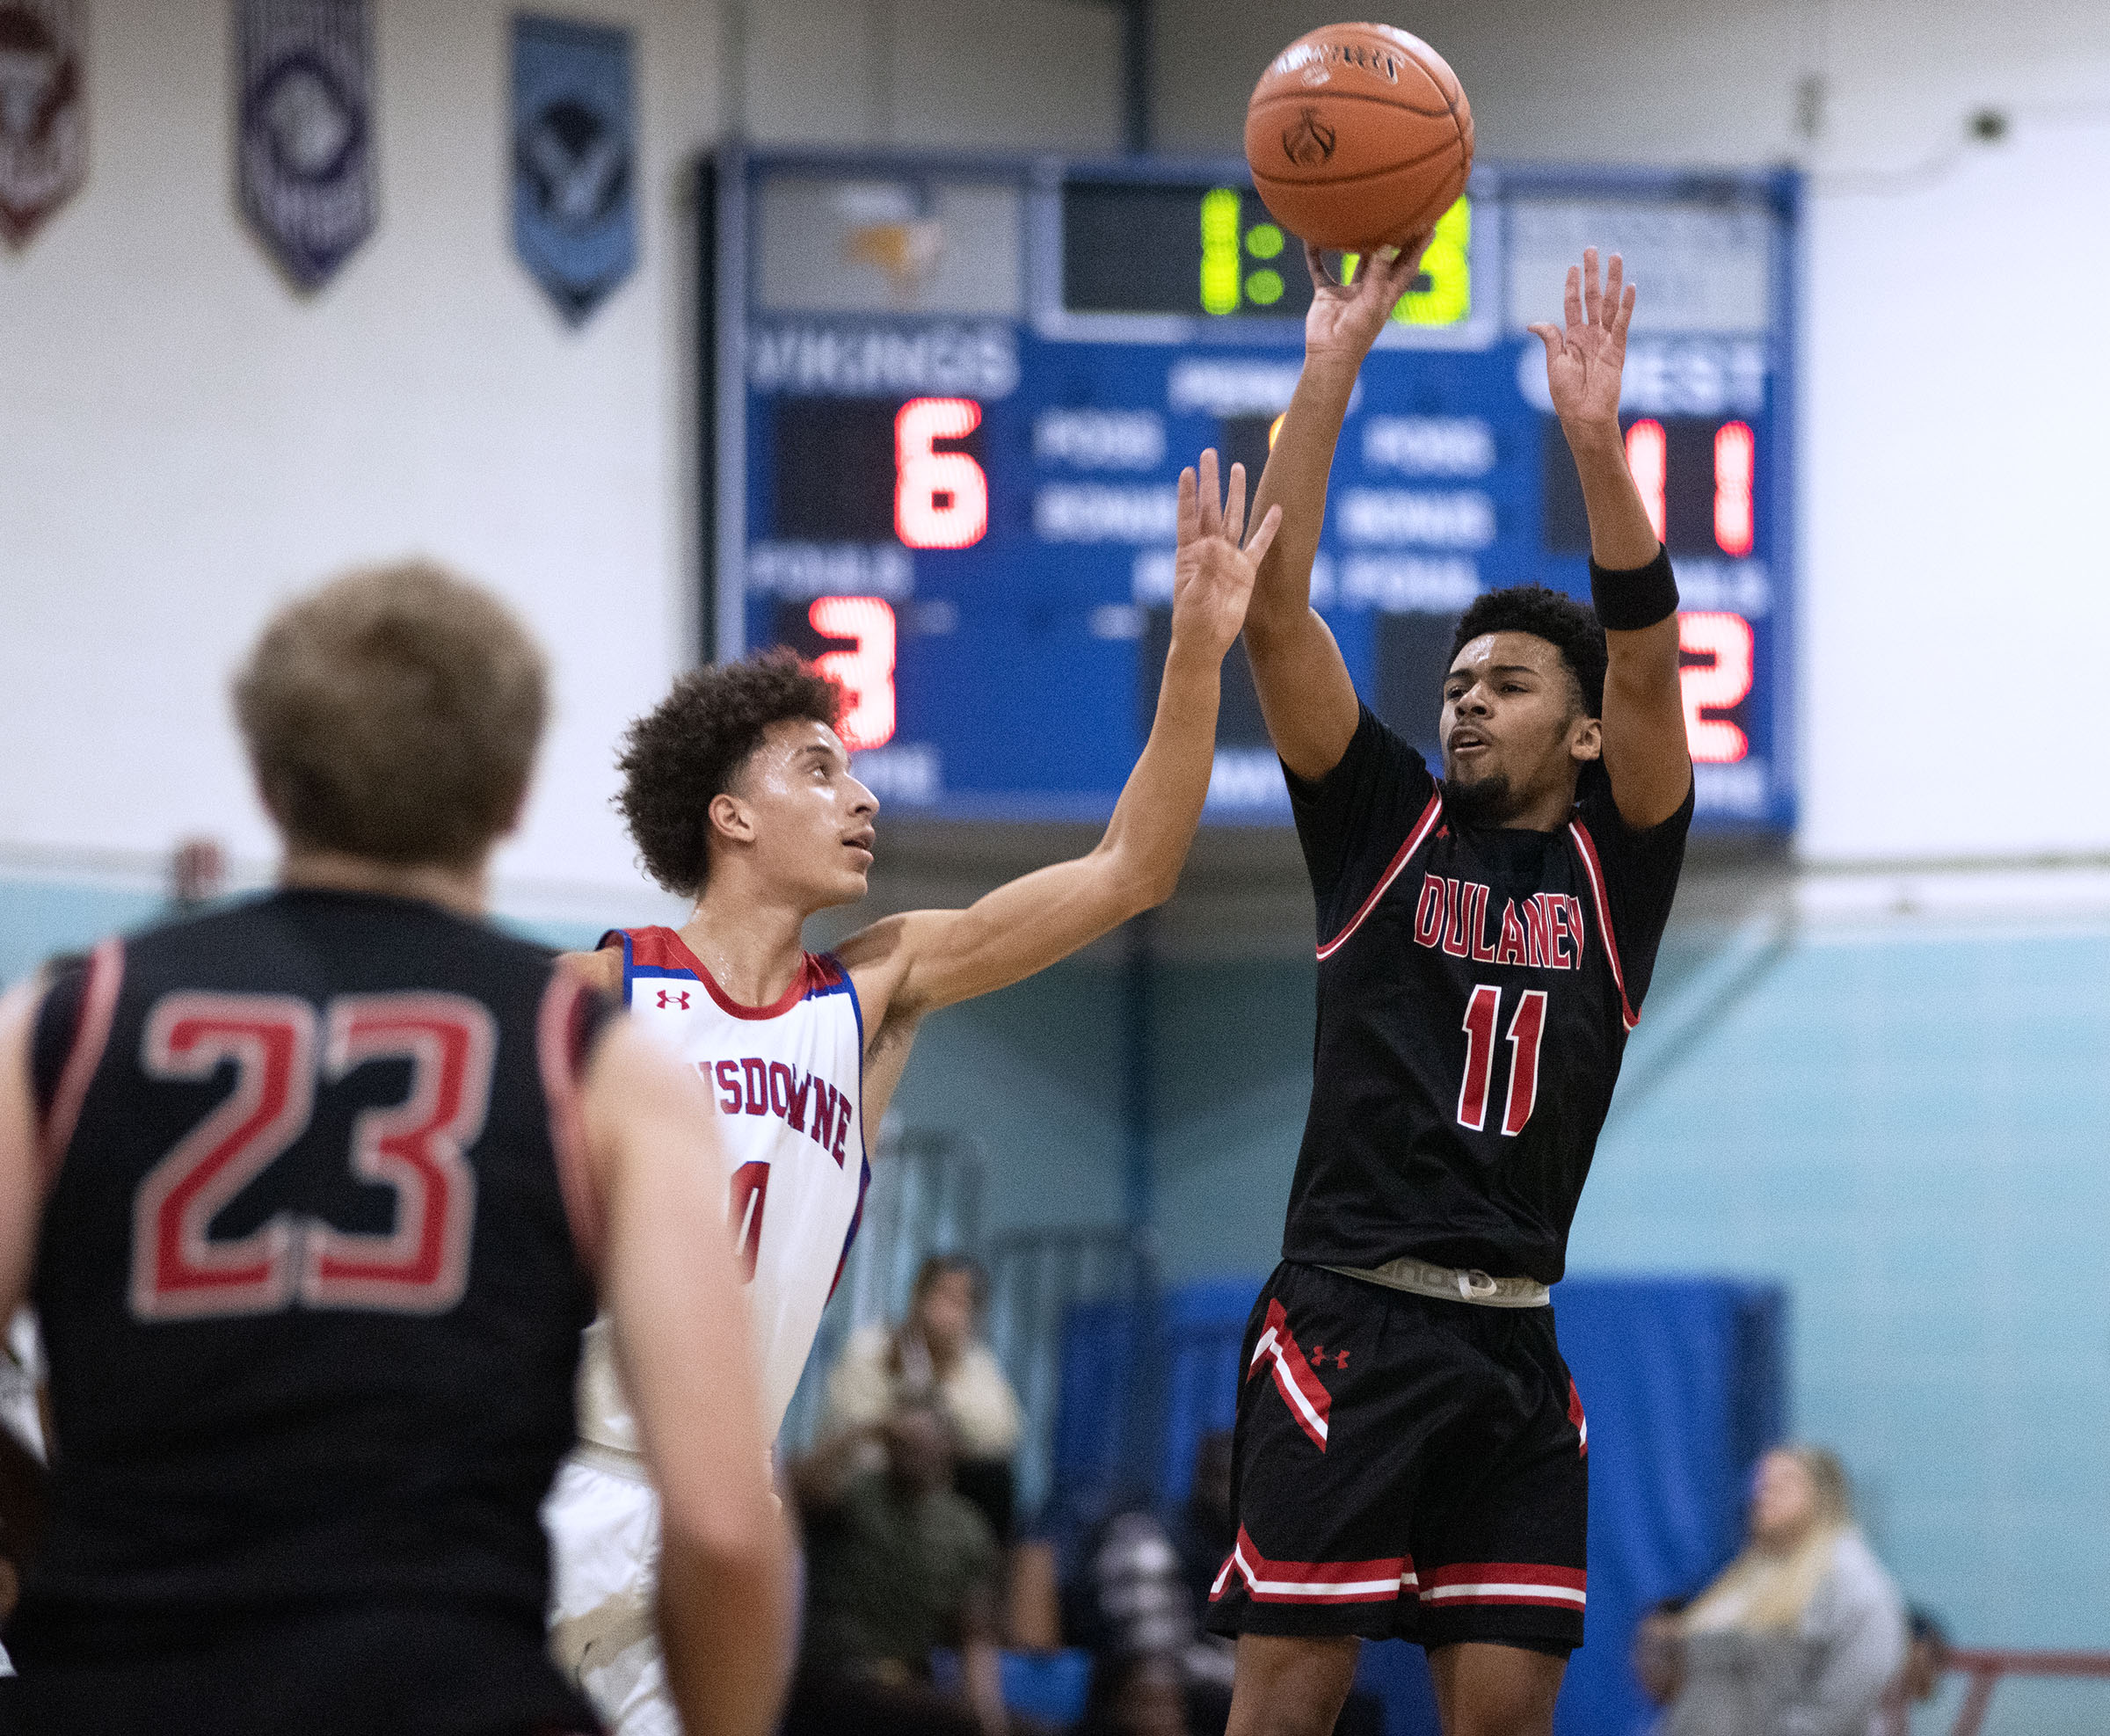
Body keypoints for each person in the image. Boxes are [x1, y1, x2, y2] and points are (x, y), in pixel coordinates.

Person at [545, 454, 1282, 1729]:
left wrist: (1198, 655)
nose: (864, 794)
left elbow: (1130, 871)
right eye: (820, 768)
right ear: (728, 814)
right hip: (565, 1481)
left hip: (725, 1508)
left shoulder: (876, 989)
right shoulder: (597, 992)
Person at [0, 563, 791, 1736]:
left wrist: (56, 1531)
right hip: (445, 1682)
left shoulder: (67, 1019)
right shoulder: (601, 1063)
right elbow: (727, 1527)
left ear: (271, 780)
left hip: (120, 1680)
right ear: (514, 792)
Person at [1205, 239, 1697, 1736]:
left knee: (1507, 1712)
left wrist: (1597, 448)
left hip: (1516, 1336)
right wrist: (1332, 362)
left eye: (1508, 685)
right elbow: (1279, 617)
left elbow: (1652, 660)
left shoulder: (1620, 868)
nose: (1466, 699)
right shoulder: (1384, 825)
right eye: (1457, 684)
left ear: (1590, 734)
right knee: (1291, 1698)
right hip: (1348, 1318)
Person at [784, 1401, 1007, 1736]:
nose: (913, 1449)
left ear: (948, 1446)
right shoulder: (851, 1493)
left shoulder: (965, 1528)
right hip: (827, 1679)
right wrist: (865, 1429)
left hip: (904, 1685)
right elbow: (796, 1490)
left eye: (925, 1438)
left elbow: (973, 1634)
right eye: (904, 1439)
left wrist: (987, 1715)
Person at [1662, 1447, 1906, 1736]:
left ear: (1823, 1495)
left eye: (1785, 1482)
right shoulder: (1755, 1570)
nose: (1764, 1491)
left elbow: (1854, 1690)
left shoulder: (1850, 1579)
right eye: (1761, 1481)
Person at [821, 1253, 1024, 1543]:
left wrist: (943, 1389)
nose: (950, 1312)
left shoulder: (976, 1366)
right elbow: (853, 1425)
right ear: (919, 1296)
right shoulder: (874, 1348)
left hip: (936, 1486)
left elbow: (1002, 1434)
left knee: (994, 1481)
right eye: (943, 1295)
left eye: (963, 1302)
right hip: (873, 1478)